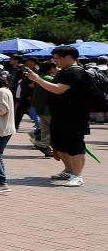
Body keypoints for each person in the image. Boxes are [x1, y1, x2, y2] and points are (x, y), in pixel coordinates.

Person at [23, 46, 91, 187]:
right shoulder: (64, 71)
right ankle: (69, 170)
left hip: (74, 115)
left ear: (68, 57)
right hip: (59, 114)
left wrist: (37, 79)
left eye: (57, 58)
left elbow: (59, 89)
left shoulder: (75, 72)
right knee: (59, 144)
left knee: (74, 145)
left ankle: (77, 175)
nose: (55, 61)